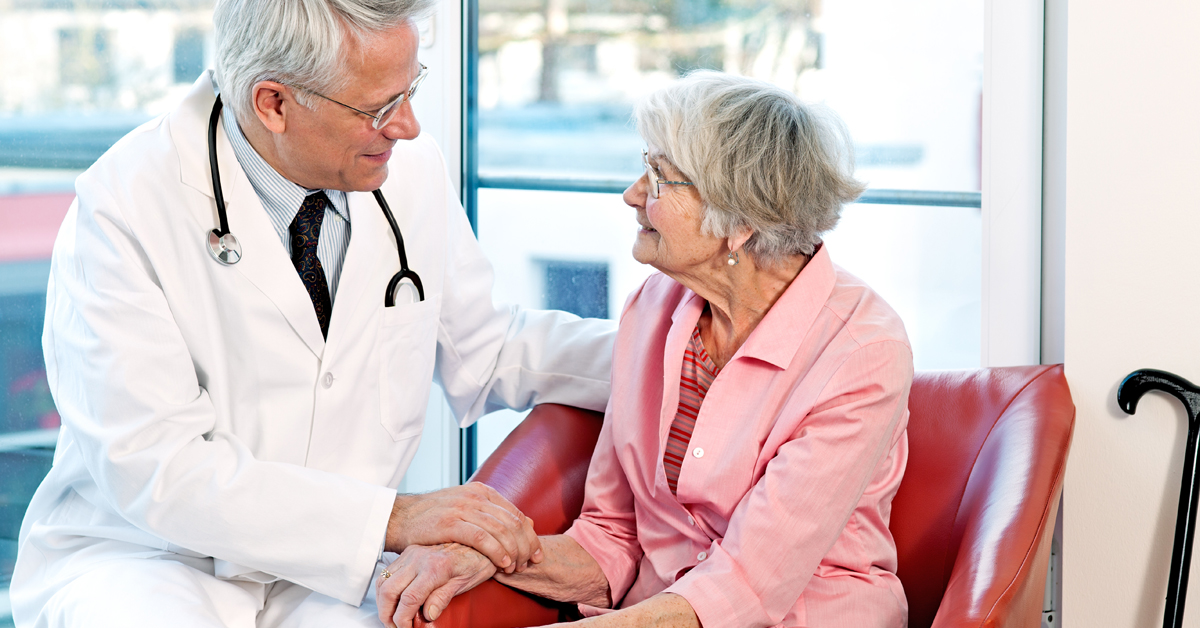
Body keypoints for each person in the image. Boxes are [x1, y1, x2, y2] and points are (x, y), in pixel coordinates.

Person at [10, 0, 615, 626]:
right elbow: (157, 469)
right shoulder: (125, 205)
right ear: (274, 103)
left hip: (329, 572)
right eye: (381, 108)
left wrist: (674, 351)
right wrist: (395, 517)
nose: (406, 126)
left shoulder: (409, 170)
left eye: (411, 91)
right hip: (151, 558)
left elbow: (488, 351)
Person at [376, 71, 913, 628]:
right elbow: (611, 537)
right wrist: (476, 550)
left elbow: (743, 589)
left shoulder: (862, 353)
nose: (633, 194)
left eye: (659, 178)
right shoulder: (655, 307)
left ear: (740, 221)